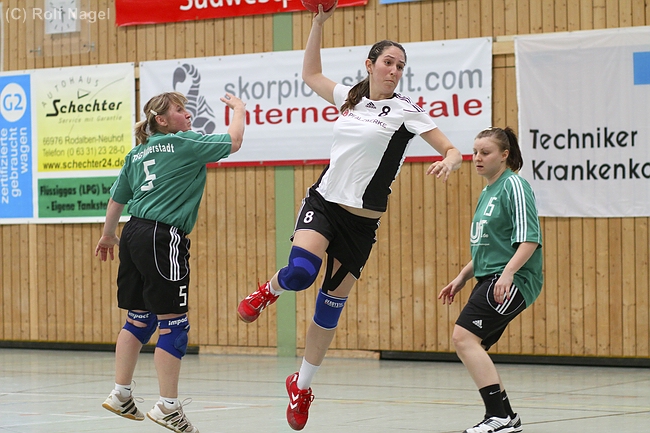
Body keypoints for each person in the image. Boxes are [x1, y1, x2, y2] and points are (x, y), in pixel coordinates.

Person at [237, 3, 462, 431]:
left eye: (401, 66)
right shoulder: (351, 97)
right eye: (388, 62)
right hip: (324, 203)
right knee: (301, 273)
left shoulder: (406, 111)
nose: (395, 71)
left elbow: (450, 148)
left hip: (361, 223)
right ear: (370, 65)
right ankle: (269, 291)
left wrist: (449, 161)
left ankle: (301, 385)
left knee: (329, 309)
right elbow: (311, 75)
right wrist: (318, 23)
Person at [96, 90, 246, 433]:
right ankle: (168, 407)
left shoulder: (137, 153)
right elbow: (235, 141)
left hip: (133, 233)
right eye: (180, 110)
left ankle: (121, 393)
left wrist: (107, 235)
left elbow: (117, 199)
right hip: (162, 237)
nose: (187, 114)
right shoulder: (183, 143)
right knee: (174, 326)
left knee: (138, 319)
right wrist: (239, 109)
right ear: (162, 121)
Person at [438, 126, 543, 433]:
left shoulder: (514, 186)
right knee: (472, 342)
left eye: (485, 153)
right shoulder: (488, 191)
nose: (477, 158)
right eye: (474, 152)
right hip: (491, 277)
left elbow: (529, 239)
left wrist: (508, 275)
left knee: (463, 338)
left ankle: (497, 417)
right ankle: (507, 417)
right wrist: (461, 277)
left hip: (515, 278)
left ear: (504, 155)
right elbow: (490, 247)